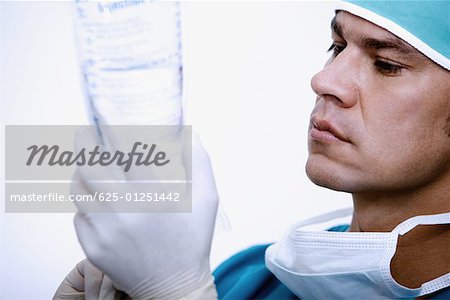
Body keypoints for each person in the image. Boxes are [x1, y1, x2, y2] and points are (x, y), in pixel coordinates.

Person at [54, 0, 450, 299]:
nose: (325, 80)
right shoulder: (245, 280)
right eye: (336, 45)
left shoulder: (192, 286)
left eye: (385, 64)